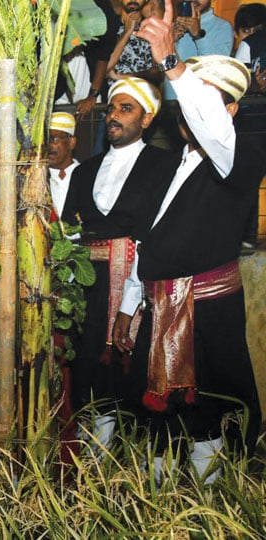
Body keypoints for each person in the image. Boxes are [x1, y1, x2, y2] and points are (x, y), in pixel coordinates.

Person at [120, 2, 264, 481]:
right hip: (162, 306)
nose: (192, 107)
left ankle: (212, 505)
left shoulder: (238, 155)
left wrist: (173, 63)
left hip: (204, 311)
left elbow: (215, 129)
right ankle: (155, 505)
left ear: (230, 108)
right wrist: (130, 306)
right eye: (189, 96)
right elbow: (150, 241)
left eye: (205, 97)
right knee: (158, 416)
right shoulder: (171, 162)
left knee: (208, 413)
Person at [60, 77, 177, 450]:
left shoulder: (165, 166)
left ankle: (144, 460)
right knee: (88, 367)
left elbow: (158, 233)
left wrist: (131, 299)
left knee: (136, 370)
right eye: (112, 108)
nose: (113, 116)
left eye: (126, 109)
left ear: (147, 119)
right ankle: (93, 456)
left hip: (142, 284)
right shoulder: (84, 172)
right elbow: (68, 233)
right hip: (86, 286)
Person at [161, 0, 233, 99]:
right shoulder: (172, 26)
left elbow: (217, 67)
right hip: (171, 97)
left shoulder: (222, 27)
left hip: (202, 100)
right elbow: (161, 67)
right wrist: (170, 41)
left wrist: (198, 35)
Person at [47, 112, 80, 218]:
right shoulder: (35, 179)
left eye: (54, 139)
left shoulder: (86, 175)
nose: (49, 146)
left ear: (71, 143)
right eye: (45, 141)